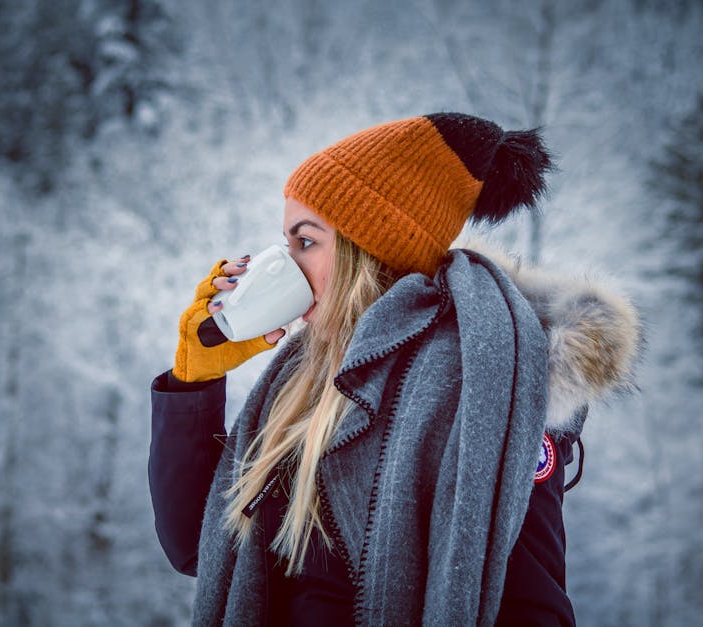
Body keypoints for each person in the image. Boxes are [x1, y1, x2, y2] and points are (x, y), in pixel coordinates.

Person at [148, 113, 641, 626]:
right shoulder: (305, 383)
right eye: (288, 241)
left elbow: (530, 609)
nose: (286, 262)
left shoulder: (479, 387)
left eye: (307, 241)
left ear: (371, 247)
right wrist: (194, 381)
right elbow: (196, 548)